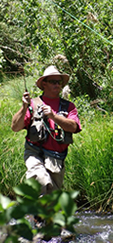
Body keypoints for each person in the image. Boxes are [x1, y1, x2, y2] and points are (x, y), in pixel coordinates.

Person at [11, 65, 82, 195]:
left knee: (51, 199)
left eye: (59, 82)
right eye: (53, 82)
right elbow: (15, 127)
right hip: (34, 153)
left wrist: (54, 116)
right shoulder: (32, 104)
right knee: (40, 179)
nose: (57, 85)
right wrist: (24, 107)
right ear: (44, 84)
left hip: (56, 158)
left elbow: (74, 127)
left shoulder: (69, 106)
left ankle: (37, 214)